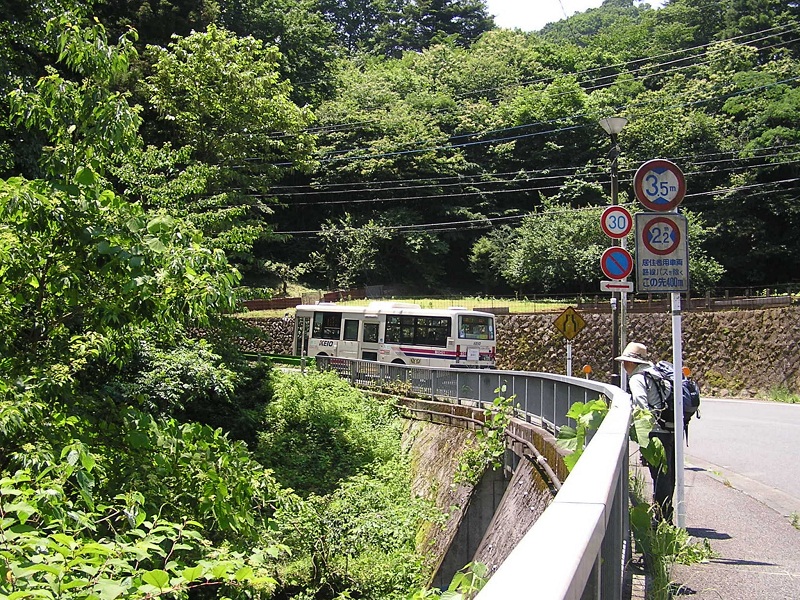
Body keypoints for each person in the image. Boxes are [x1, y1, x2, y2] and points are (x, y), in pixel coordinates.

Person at [615, 341, 675, 523]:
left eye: (625, 362)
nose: (624, 365)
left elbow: (641, 404)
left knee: (659, 476)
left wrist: (638, 430)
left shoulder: (637, 378)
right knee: (667, 475)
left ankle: (662, 519)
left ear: (631, 362)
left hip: (654, 431)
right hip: (669, 428)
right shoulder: (656, 373)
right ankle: (665, 515)